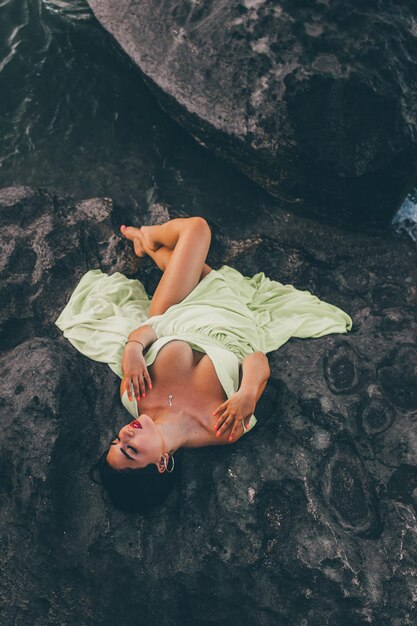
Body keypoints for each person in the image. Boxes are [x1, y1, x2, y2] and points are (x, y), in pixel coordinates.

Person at [56, 217, 353, 513]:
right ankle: (146, 242)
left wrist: (133, 349)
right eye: (130, 450)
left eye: (117, 440)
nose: (126, 434)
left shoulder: (134, 393)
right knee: (193, 263)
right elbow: (255, 358)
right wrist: (247, 393)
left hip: (173, 313)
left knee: (197, 229)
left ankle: (148, 237)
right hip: (231, 322)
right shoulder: (223, 428)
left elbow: (152, 330)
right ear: (161, 463)